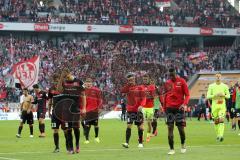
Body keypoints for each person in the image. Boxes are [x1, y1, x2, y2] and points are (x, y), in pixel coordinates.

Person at [56, 69, 86, 154]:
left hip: (75, 109)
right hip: (66, 109)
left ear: (70, 73)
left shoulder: (79, 82)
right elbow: (58, 90)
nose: (66, 78)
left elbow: (83, 95)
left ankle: (77, 145)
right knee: (68, 129)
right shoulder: (63, 81)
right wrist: (61, 78)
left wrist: (84, 108)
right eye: (64, 77)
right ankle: (70, 148)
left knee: (76, 128)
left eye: (66, 76)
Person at [163, 68, 190, 155]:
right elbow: (165, 96)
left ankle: (183, 145)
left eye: (173, 75)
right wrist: (164, 109)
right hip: (169, 108)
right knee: (170, 128)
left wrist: (184, 104)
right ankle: (171, 149)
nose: (171, 77)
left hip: (179, 109)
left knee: (180, 129)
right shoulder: (167, 83)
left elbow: (187, 95)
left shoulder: (182, 81)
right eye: (170, 75)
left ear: (176, 73)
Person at [121, 73, 146, 148]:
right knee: (129, 125)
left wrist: (141, 105)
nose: (131, 81)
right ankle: (127, 143)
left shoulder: (140, 87)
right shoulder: (127, 88)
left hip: (138, 110)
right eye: (129, 80)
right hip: (130, 110)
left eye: (132, 79)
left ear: (134, 79)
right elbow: (122, 92)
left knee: (140, 127)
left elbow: (144, 98)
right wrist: (128, 85)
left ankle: (140, 143)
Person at [48, 73, 68, 153]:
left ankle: (68, 147)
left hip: (64, 113)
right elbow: (50, 100)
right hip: (55, 114)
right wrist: (49, 111)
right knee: (55, 130)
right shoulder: (51, 89)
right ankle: (57, 148)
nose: (57, 81)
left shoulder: (65, 88)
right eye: (55, 80)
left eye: (58, 80)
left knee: (66, 130)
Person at [207, 72, 230, 142]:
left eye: (219, 76)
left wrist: (223, 95)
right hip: (214, 107)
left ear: (221, 77)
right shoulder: (211, 86)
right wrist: (215, 95)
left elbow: (228, 96)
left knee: (221, 119)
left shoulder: (225, 86)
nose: (218, 77)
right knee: (216, 122)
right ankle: (218, 135)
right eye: (217, 76)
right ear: (215, 77)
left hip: (222, 106)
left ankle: (221, 135)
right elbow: (208, 96)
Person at [82, 78, 102, 144]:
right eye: (87, 82)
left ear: (92, 83)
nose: (88, 84)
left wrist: (100, 108)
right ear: (85, 83)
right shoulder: (83, 91)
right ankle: (87, 139)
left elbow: (99, 100)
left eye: (89, 82)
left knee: (96, 125)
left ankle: (96, 137)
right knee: (87, 125)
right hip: (87, 110)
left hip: (95, 110)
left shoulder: (96, 90)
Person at [142, 74, 156, 142]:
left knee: (149, 123)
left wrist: (146, 97)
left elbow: (153, 97)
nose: (145, 80)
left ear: (148, 80)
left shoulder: (152, 87)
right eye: (144, 79)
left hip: (150, 107)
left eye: (146, 79)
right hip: (143, 107)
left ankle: (148, 136)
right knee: (141, 123)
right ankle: (141, 137)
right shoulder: (141, 87)